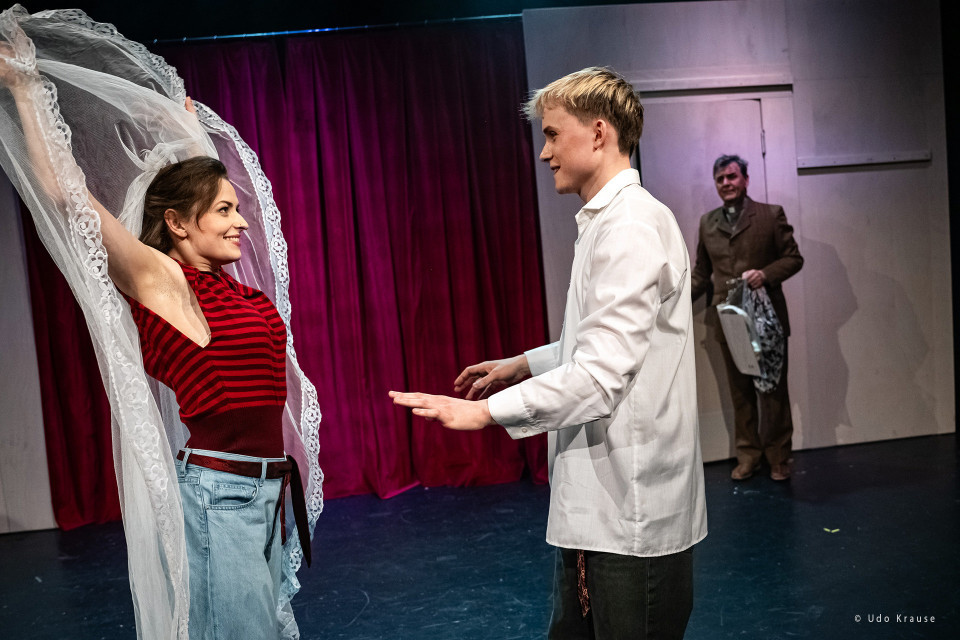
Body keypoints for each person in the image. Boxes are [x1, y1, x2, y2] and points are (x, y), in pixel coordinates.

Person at [1, 8, 321, 639]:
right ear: (177, 224)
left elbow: (198, 194)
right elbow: (67, 196)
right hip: (221, 497)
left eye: (236, 208)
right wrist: (23, 89)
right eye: (224, 210)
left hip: (263, 496)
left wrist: (188, 133)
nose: (241, 221)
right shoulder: (163, 282)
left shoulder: (233, 291)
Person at [391, 67, 706, 639]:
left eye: (554, 134)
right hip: (604, 513)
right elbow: (606, 339)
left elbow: (602, 374)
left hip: (631, 515)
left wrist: (485, 414)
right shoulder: (610, 222)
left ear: (599, 132)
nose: (544, 153)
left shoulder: (630, 226)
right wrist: (523, 364)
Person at [691, 155, 803, 481]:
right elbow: (701, 274)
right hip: (729, 321)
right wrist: (670, 301)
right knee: (740, 393)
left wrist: (765, 274)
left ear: (745, 179)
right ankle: (748, 455)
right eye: (720, 179)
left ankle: (779, 457)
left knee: (773, 391)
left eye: (732, 176)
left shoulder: (770, 215)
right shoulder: (707, 223)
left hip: (766, 321)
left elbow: (793, 258)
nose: (726, 183)